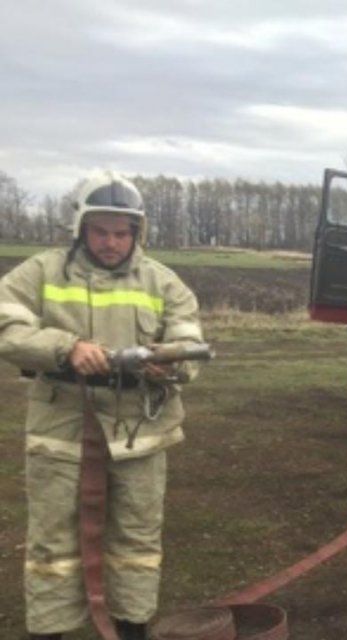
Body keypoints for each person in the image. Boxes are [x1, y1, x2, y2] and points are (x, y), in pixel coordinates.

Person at [0, 171, 205, 640]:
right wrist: (65, 347)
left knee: (136, 539)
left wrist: (166, 364)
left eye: (121, 232)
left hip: (141, 434)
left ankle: (130, 629)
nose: (112, 243)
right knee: (53, 541)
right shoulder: (41, 272)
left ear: (137, 232)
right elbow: (6, 326)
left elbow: (189, 342)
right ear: (80, 228)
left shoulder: (162, 281)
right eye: (101, 231)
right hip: (61, 427)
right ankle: (51, 631)